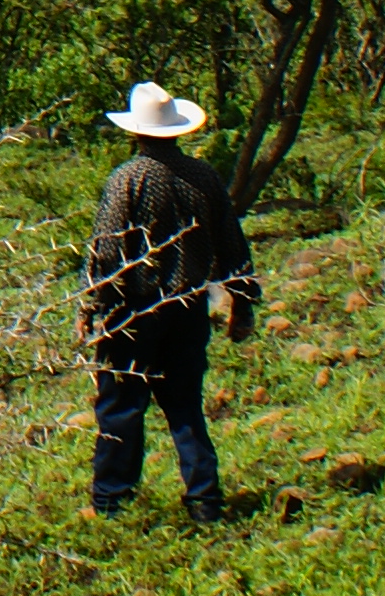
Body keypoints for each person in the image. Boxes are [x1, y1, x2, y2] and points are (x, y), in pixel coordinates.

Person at [86, 79, 257, 520]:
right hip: (189, 309)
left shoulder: (127, 179)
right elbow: (231, 244)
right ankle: (204, 500)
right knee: (184, 407)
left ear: (135, 131)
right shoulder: (205, 177)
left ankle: (112, 503)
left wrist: (92, 309)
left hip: (134, 312)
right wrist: (241, 302)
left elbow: (107, 251)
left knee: (121, 409)